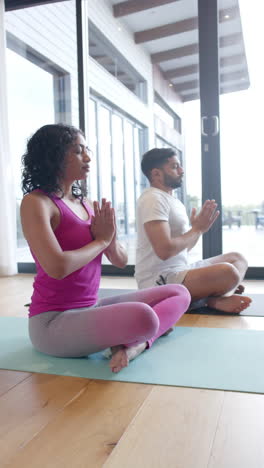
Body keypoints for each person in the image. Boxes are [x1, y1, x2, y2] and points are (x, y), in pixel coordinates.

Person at [20, 124, 191, 373]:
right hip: (52, 323)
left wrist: (109, 239)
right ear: (53, 155)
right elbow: (57, 267)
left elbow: (120, 260)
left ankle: (137, 344)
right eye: (78, 151)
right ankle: (135, 336)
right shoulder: (36, 203)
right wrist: (99, 241)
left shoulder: (87, 204)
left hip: (90, 308)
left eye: (86, 149)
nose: (88, 157)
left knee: (178, 293)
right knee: (144, 317)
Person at [135, 147, 252, 314]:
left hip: (180, 270)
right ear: (156, 174)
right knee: (228, 272)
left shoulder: (174, 201)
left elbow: (184, 249)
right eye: (175, 167)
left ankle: (214, 296)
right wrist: (197, 229)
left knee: (237, 259)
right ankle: (210, 299)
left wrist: (199, 230)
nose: (181, 170)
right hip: (158, 280)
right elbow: (164, 251)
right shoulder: (153, 198)